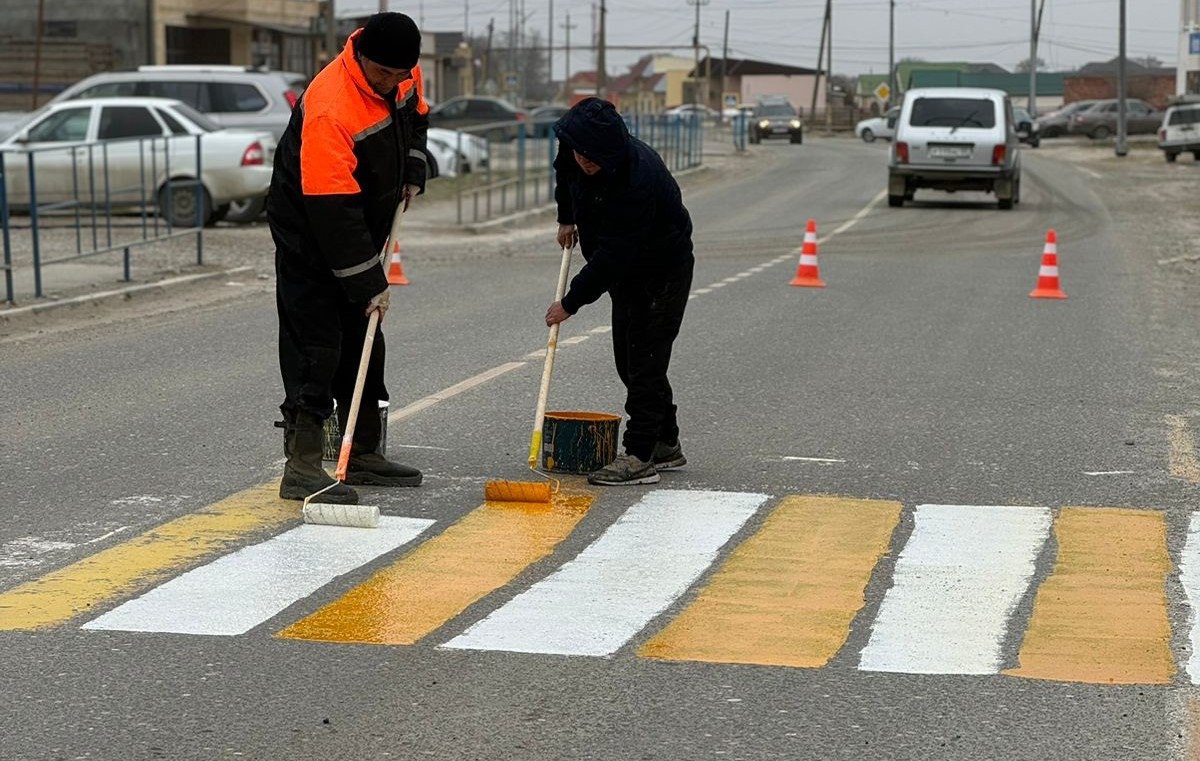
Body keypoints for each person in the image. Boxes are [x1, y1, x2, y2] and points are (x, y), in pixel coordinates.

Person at [268, 12, 431, 505]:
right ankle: (301, 466)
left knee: (365, 340)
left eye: (398, 75)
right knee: (317, 345)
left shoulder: (403, 72)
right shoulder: (330, 106)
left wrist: (414, 167)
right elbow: (330, 210)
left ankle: (361, 451)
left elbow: (416, 117)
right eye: (381, 75)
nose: (390, 84)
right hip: (312, 231)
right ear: (359, 56)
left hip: (363, 219)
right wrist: (368, 280)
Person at [545, 97, 695, 486]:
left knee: (645, 359)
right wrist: (567, 216)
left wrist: (570, 302)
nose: (585, 161)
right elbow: (565, 170)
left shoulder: (636, 178)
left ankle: (641, 455)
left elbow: (615, 254)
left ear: (612, 149)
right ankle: (666, 442)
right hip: (626, 272)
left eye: (594, 157)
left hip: (661, 269)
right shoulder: (575, 146)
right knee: (628, 361)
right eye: (581, 153)